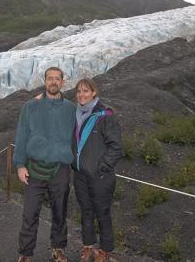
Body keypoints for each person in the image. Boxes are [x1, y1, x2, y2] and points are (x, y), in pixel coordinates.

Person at [13, 67, 76, 262]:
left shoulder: (71, 109)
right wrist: (20, 164)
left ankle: (58, 249)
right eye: (50, 78)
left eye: (57, 79)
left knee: (60, 211)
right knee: (30, 213)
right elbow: (22, 135)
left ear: (62, 82)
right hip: (34, 168)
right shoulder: (30, 106)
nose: (53, 82)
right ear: (45, 81)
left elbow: (78, 138)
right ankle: (25, 253)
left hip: (60, 168)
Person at [71, 78, 122, 262]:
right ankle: (88, 247)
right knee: (86, 212)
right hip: (80, 175)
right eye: (78, 91)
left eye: (85, 91)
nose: (81, 95)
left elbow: (116, 147)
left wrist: (102, 167)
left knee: (102, 213)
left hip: (100, 176)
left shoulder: (105, 115)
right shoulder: (76, 114)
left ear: (94, 93)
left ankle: (105, 250)